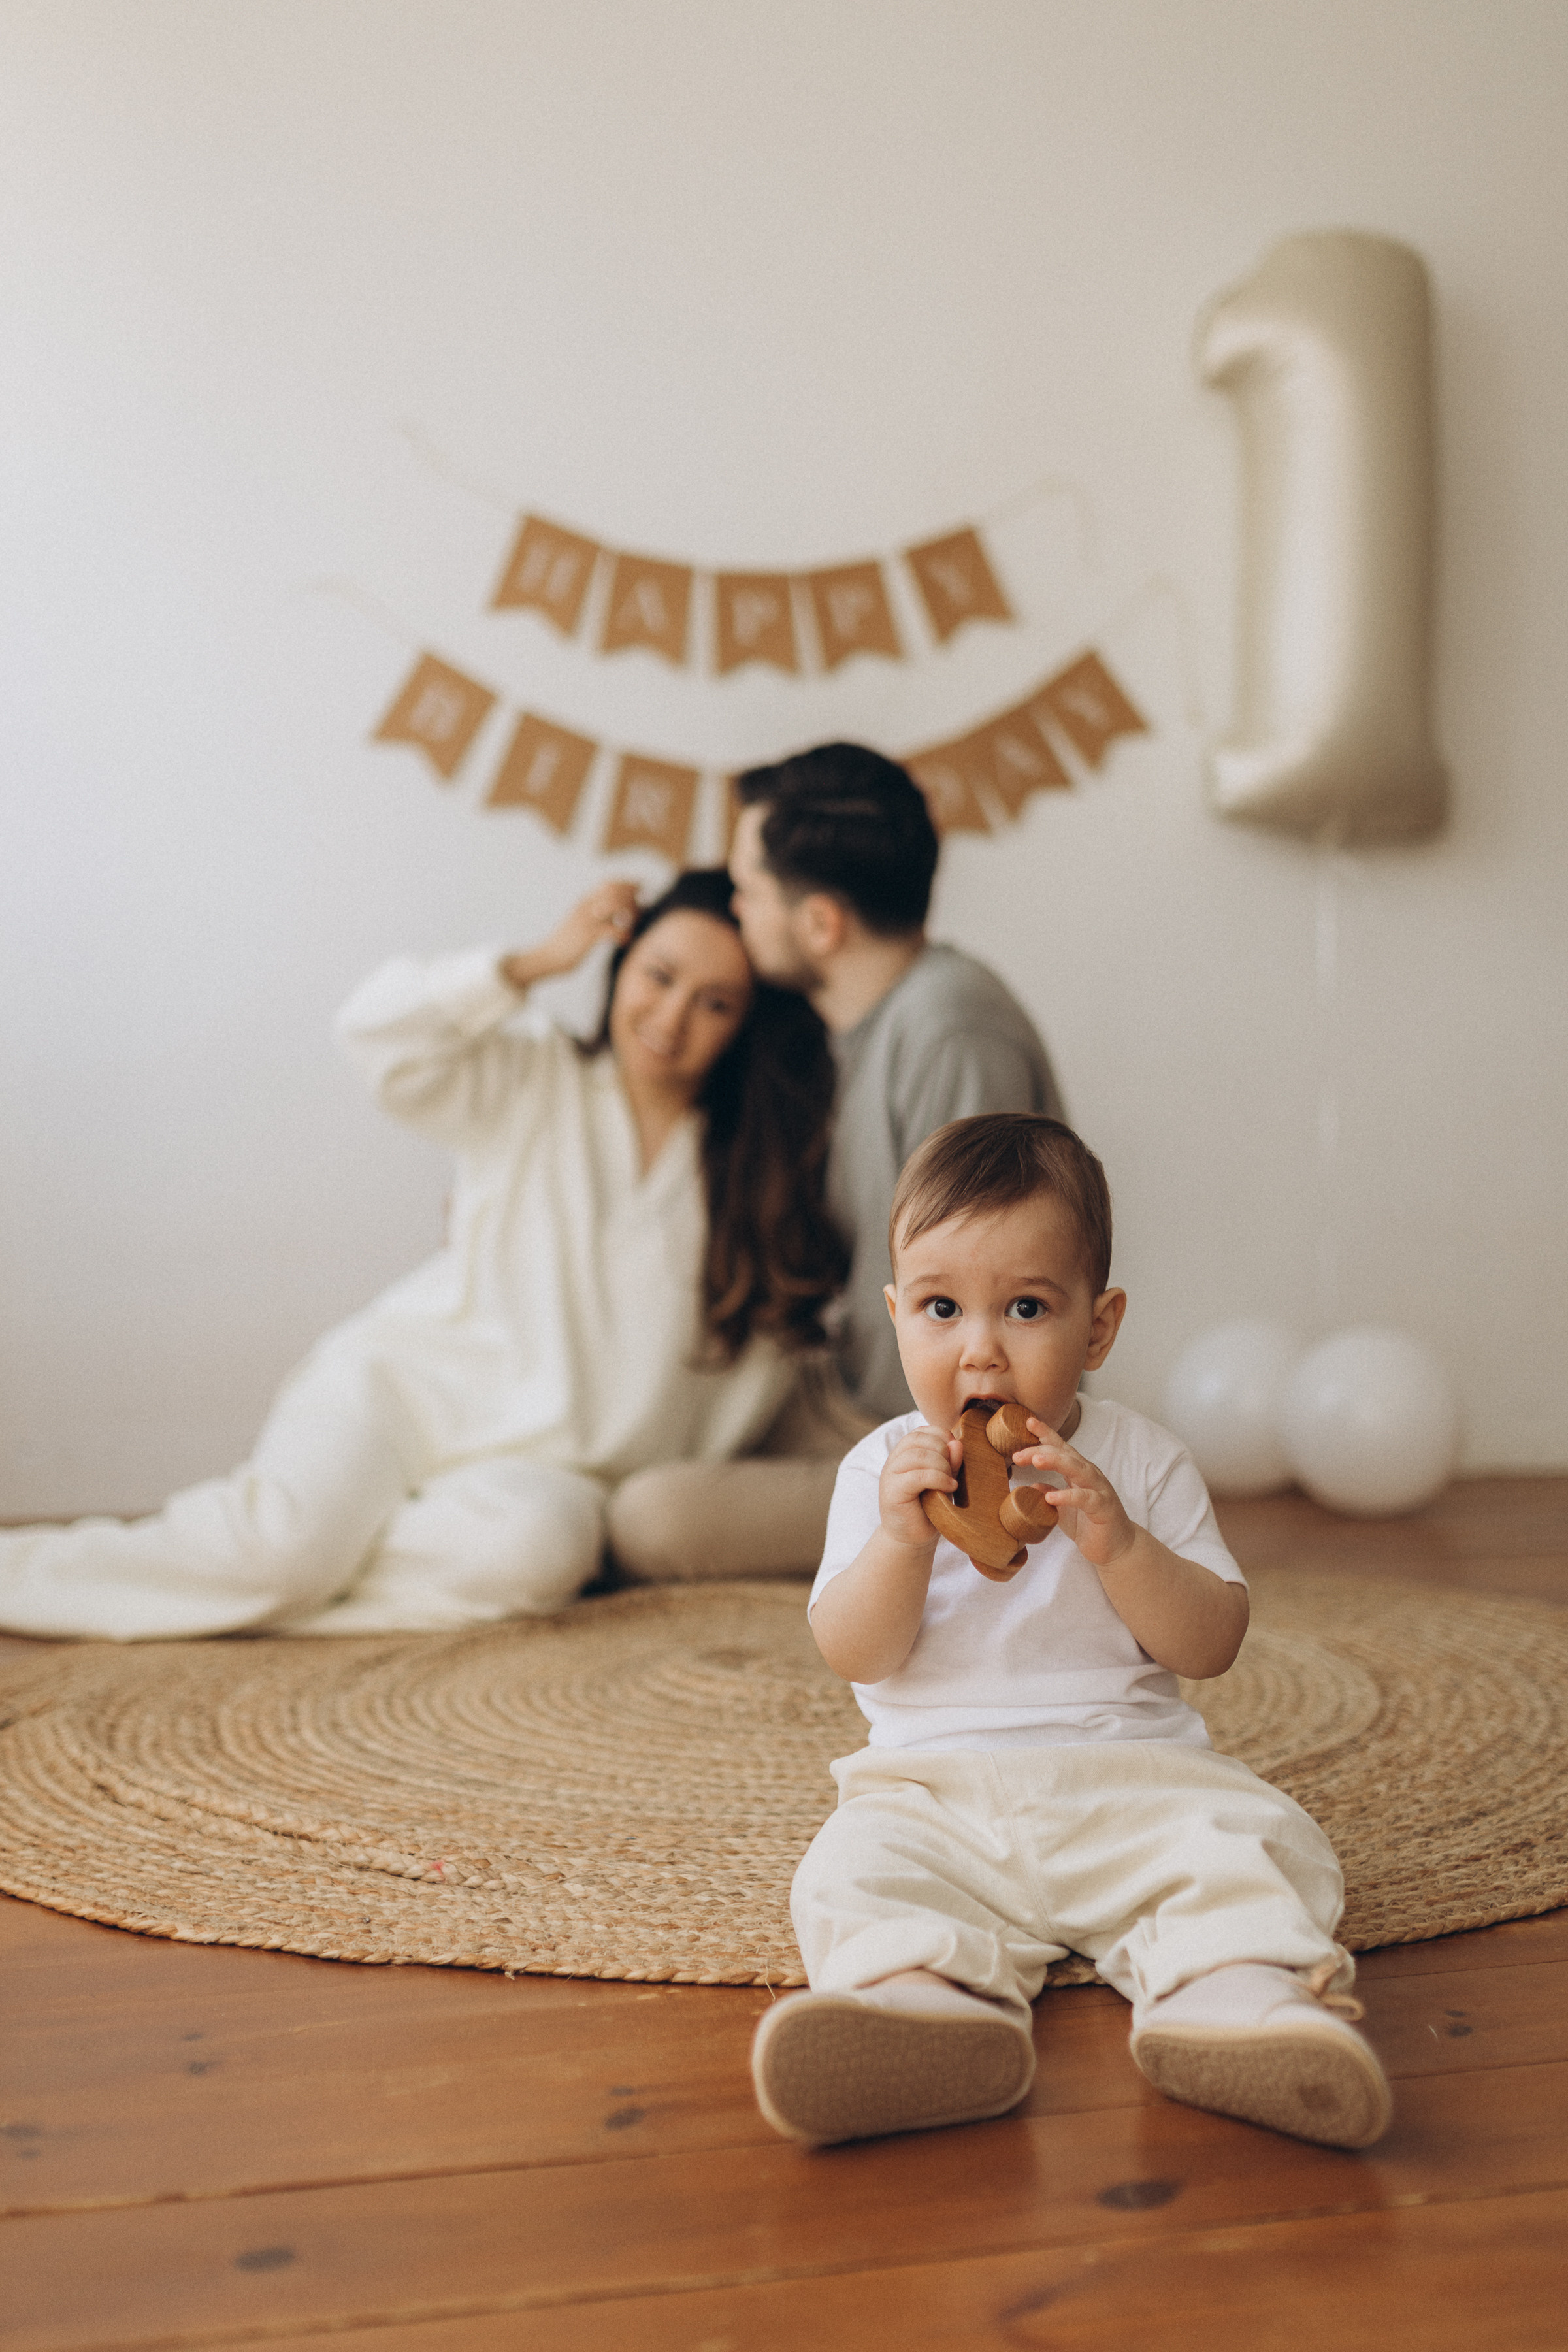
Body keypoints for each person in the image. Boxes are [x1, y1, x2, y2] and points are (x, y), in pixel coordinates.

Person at [749, 1112, 1392, 2151]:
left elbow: (1211, 1642)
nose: (981, 1348)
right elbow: (854, 1653)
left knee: (1250, 1842)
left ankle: (1232, 1997)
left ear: (1098, 1327)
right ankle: (923, 2010)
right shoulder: (881, 1473)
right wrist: (902, 1547)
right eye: (942, 1307)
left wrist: (1121, 1545)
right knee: (852, 1874)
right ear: (896, 1316)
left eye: (1028, 1307)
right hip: (933, 1793)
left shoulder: (1139, 1462)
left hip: (1129, 1778)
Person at [0, 871, 847, 1641]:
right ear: (619, 968)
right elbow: (374, 1033)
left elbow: (757, 1364)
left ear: (746, 1026)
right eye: (658, 977)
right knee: (279, 1552)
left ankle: (299, 1581)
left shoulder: (752, 1176)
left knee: (537, 1556)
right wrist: (531, 963)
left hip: (543, 1474)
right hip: (404, 1396)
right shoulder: (532, 1076)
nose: (671, 1019)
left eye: (715, 1003)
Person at [608, 742, 1067, 1588]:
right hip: (840, 1396)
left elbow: (993, 1324)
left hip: (929, 1444)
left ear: (820, 924)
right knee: (635, 1428)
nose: (735, 907)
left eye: (747, 890)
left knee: (648, 1519)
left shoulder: (952, 1033)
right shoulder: (850, 1035)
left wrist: (942, 1487)